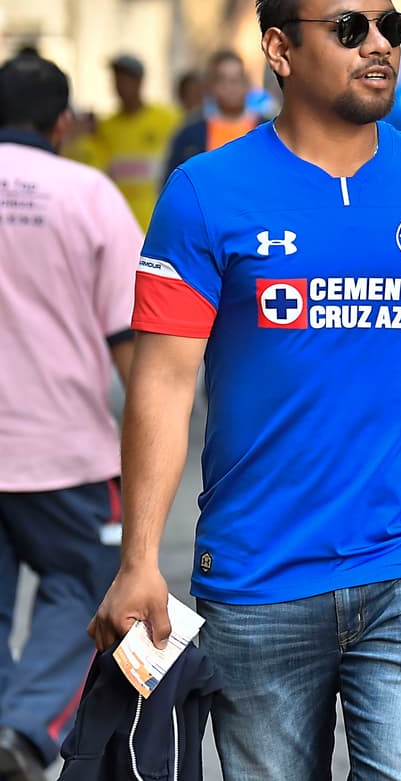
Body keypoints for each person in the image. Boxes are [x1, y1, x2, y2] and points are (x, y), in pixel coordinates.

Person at [86, 0, 401, 780]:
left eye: (391, 24)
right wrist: (138, 561)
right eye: (350, 27)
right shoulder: (206, 192)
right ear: (280, 48)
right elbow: (162, 385)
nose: (379, 43)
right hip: (257, 577)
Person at [0, 54, 142, 781]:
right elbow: (130, 342)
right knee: (88, 581)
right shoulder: (87, 192)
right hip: (62, 447)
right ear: (62, 123)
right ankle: (23, 727)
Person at [67, 53, 182, 231]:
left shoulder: (168, 119)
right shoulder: (105, 127)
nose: (120, 86)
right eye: (116, 80)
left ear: (139, 82)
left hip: (157, 222)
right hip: (118, 222)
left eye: (125, 80)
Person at [163, 50, 263, 177]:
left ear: (247, 84)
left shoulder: (271, 130)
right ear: (210, 86)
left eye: (235, 80)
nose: (230, 87)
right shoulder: (190, 135)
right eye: (222, 80)